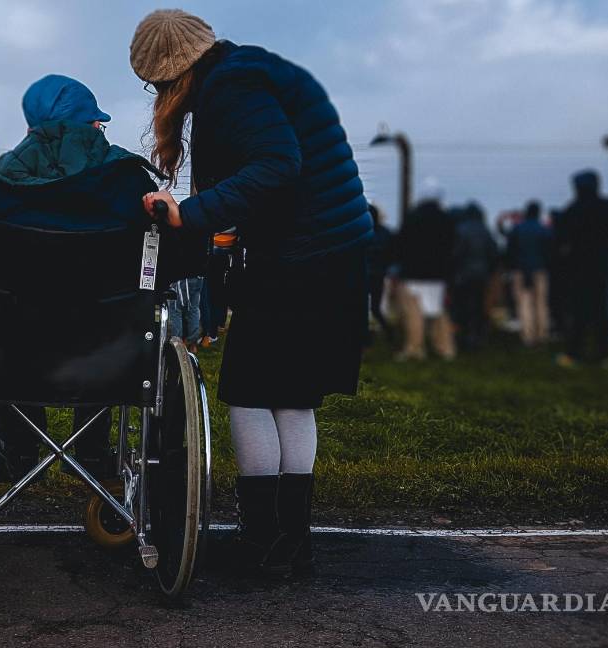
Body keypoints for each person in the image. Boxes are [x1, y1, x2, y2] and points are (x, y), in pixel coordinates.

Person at [130, 9, 372, 577]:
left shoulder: (232, 87)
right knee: (291, 395)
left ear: (174, 74)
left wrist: (188, 214)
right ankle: (291, 540)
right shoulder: (250, 71)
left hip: (301, 256)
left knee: (248, 392)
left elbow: (277, 164)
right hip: (332, 252)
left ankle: (261, 537)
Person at [0, 74, 194, 481]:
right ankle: (92, 452)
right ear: (93, 125)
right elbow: (176, 261)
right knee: (108, 321)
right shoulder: (129, 181)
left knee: (7, 324)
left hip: (12, 355)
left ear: (31, 128)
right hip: (111, 356)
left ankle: (18, 450)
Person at [555, 170, 608, 367]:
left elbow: (560, 238)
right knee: (601, 311)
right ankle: (603, 354)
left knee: (578, 311)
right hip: (602, 264)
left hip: (578, 266)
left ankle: (574, 352)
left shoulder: (572, 210)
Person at [394, 183, 456, 360]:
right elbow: (452, 246)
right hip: (438, 274)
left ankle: (415, 348)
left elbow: (401, 245)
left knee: (414, 312)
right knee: (438, 311)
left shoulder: (412, 217)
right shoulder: (446, 219)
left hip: (413, 273)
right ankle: (445, 348)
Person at [448, 202, 498, 351]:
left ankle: (464, 337)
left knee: (462, 307)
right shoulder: (485, 230)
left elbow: (455, 254)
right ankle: (477, 337)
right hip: (481, 275)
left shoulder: (460, 229)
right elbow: (493, 253)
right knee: (478, 307)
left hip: (463, 276)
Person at [506, 201, 552, 346]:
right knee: (541, 303)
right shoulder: (544, 229)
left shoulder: (517, 229)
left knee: (524, 304)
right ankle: (542, 334)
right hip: (540, 270)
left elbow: (510, 250)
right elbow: (550, 251)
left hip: (520, 270)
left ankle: (528, 337)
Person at [365, 204, 394, 344]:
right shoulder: (386, 233)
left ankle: (367, 337)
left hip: (362, 275)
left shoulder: (360, 233)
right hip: (379, 274)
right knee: (376, 308)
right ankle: (390, 334)